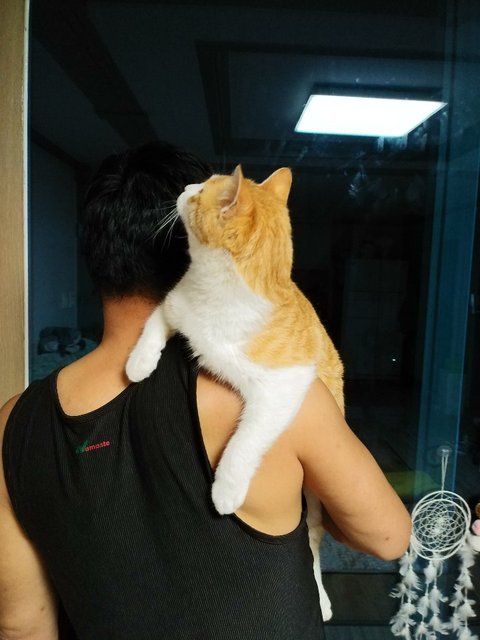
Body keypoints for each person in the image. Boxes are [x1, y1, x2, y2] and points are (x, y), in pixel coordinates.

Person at [0, 141, 411, 640]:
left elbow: (22, 624)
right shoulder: (270, 393)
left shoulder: (12, 424)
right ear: (192, 238)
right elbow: (388, 536)